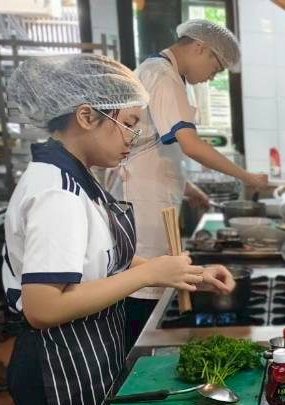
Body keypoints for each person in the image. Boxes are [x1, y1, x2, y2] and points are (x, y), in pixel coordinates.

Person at [2, 54, 236, 405]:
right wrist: (148, 276)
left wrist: (187, 273)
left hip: (84, 351)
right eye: (129, 123)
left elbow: (108, 259)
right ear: (87, 116)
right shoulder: (58, 194)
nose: (136, 136)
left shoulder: (80, 178)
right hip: (60, 367)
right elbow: (43, 307)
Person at [109, 19, 269, 347]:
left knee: (154, 279)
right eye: (216, 66)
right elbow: (190, 144)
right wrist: (246, 176)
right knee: (144, 288)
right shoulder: (162, 75)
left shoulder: (164, 73)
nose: (213, 76)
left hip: (149, 197)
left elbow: (155, 147)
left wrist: (189, 189)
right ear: (199, 47)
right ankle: (137, 356)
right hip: (141, 203)